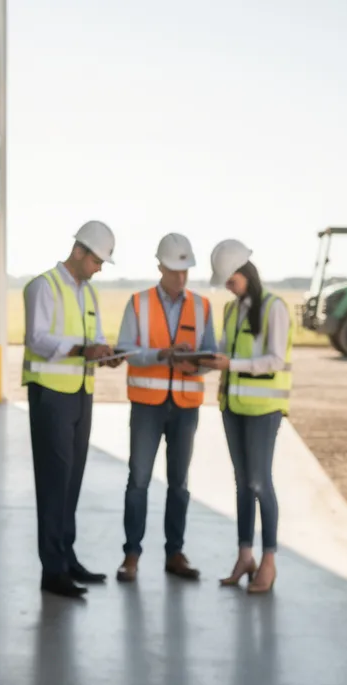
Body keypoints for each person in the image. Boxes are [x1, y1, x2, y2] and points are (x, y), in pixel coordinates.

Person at [22, 220, 124, 598]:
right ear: (79, 251)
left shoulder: (88, 293)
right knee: (53, 484)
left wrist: (106, 353)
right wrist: (84, 350)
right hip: (51, 395)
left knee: (72, 481)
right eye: (97, 261)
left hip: (81, 392)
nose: (99, 268)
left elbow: (92, 339)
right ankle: (53, 571)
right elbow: (36, 338)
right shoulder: (43, 286)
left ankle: (67, 557)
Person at [114, 233, 215, 583]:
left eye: (186, 270)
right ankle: (131, 555)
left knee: (180, 484)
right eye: (175, 270)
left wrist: (195, 363)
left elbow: (211, 356)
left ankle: (175, 553)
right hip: (147, 406)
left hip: (186, 406)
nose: (181, 277)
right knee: (138, 480)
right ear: (160, 267)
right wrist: (161, 355)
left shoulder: (202, 307)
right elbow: (125, 349)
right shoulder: (138, 303)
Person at [200, 239, 293, 594]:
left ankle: (268, 562)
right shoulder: (232, 310)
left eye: (230, 280)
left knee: (259, 482)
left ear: (246, 273)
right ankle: (244, 556)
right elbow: (224, 353)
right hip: (233, 406)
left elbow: (275, 360)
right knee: (242, 486)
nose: (227, 286)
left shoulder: (274, 308)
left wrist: (232, 364)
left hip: (264, 410)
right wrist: (200, 362)